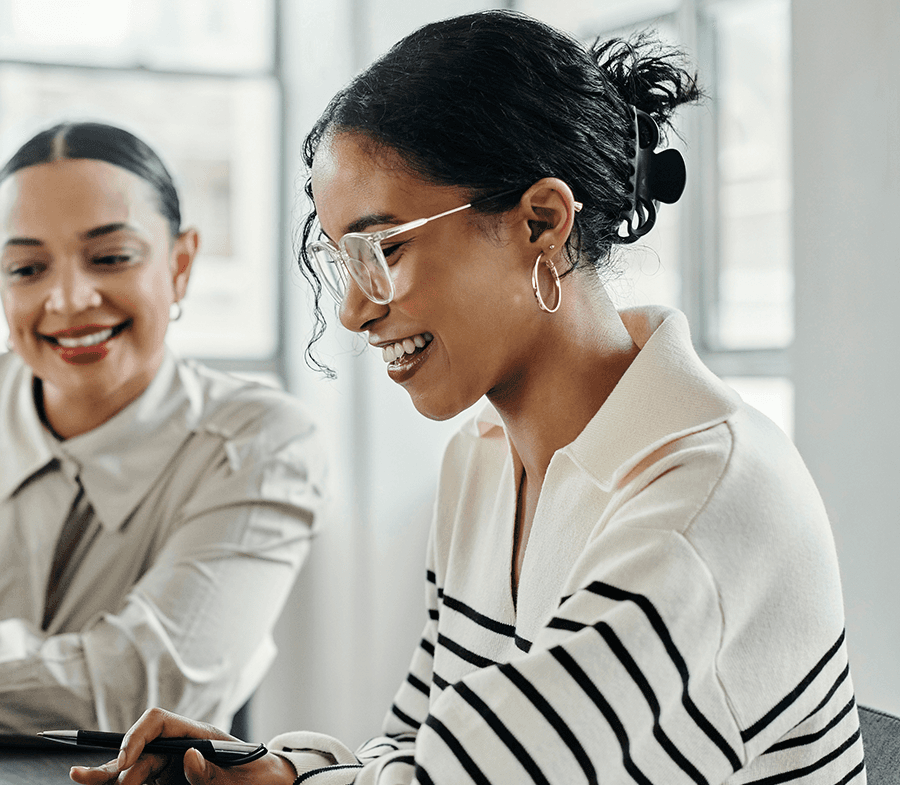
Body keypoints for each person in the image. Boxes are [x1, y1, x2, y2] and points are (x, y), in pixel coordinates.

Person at [73, 11, 864, 785]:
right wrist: (280, 770)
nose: (353, 308)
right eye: (340, 258)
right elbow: (414, 745)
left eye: (384, 248)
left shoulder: (708, 498)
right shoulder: (481, 463)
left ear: (542, 222)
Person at [0, 121, 326, 737]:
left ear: (181, 264)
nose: (69, 299)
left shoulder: (261, 443)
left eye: (110, 258)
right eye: (27, 269)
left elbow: (142, 691)